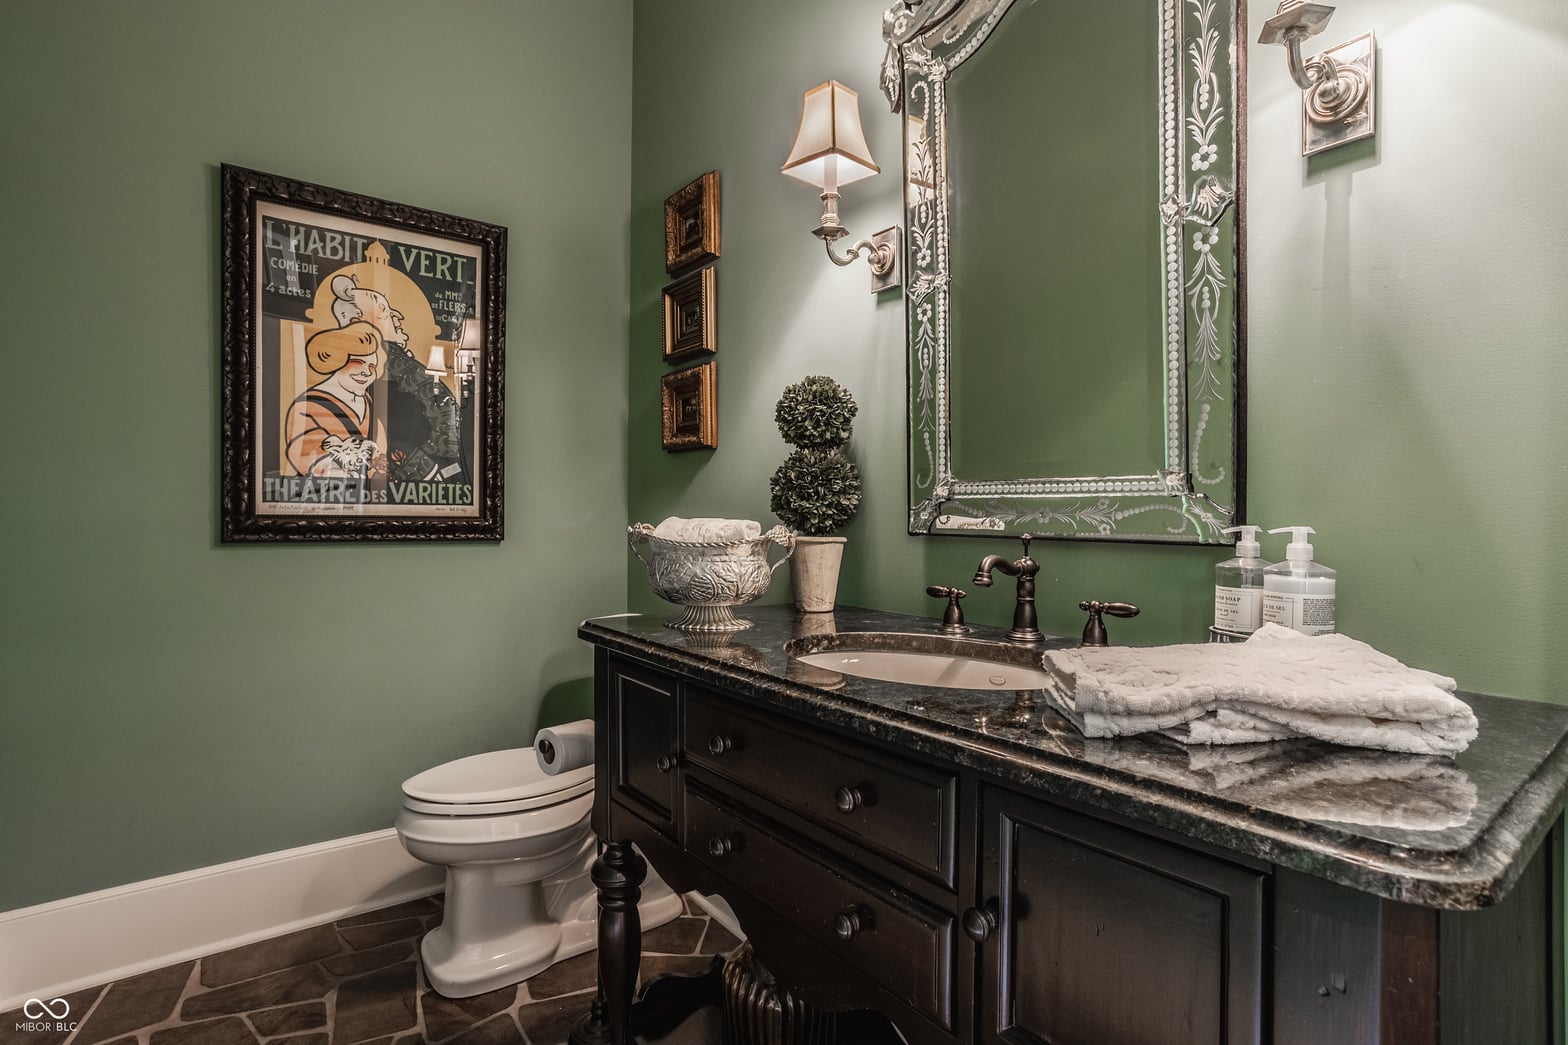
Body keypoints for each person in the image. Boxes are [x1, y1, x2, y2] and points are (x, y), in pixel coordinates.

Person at [284, 321, 387, 478]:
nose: (366, 372)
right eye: (358, 362)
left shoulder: (371, 404)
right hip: (325, 495)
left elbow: (380, 451)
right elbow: (305, 451)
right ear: (337, 360)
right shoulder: (308, 405)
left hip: (366, 494)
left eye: (372, 366)